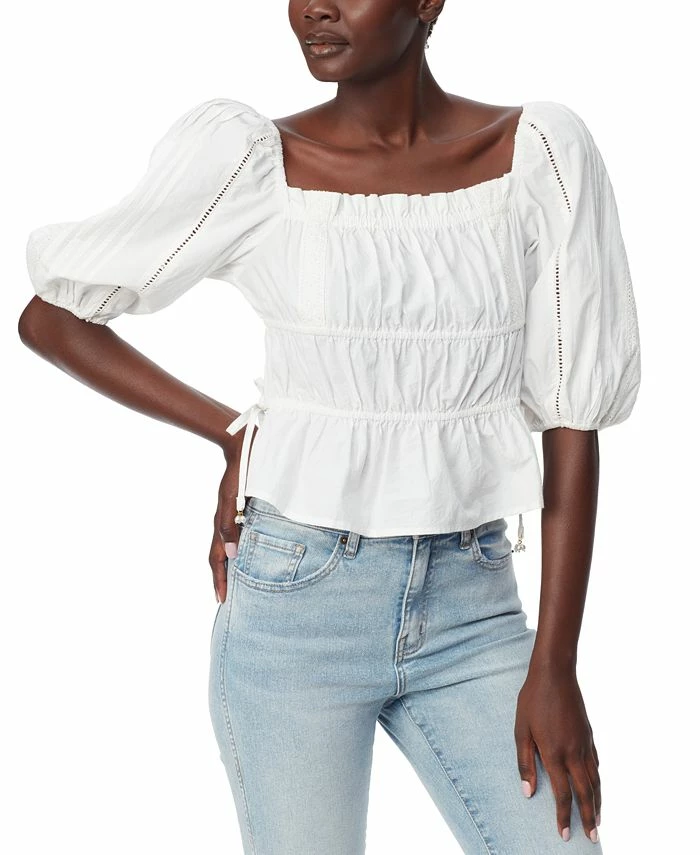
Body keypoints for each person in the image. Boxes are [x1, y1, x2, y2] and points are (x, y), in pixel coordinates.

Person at [18, 1, 641, 852]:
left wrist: (556, 665)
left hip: (474, 605)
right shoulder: (254, 165)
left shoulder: (540, 156)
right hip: (296, 607)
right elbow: (55, 317)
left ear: (429, 2)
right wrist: (236, 434)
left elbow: (573, 415)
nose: (315, 5)